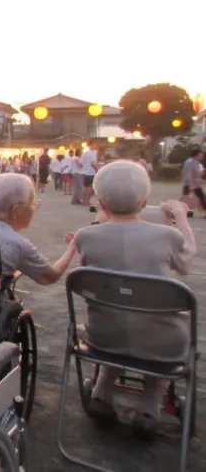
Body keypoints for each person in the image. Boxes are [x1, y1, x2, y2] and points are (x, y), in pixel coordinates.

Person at [74, 160, 196, 438]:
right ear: (144, 202)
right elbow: (186, 263)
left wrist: (102, 221)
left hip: (103, 337)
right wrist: (181, 218)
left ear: (101, 204)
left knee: (118, 312)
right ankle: (149, 405)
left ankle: (102, 391)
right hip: (162, 343)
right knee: (153, 327)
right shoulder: (167, 235)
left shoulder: (86, 236)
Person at [0, 173, 77, 284]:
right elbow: (50, 277)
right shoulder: (18, 244)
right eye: (32, 202)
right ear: (16, 211)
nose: (34, 208)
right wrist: (72, 247)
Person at [181, 148, 206, 217]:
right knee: (186, 198)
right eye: (201, 154)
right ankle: (182, 211)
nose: (202, 155)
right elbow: (189, 173)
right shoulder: (190, 162)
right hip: (189, 184)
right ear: (196, 155)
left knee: (201, 197)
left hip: (196, 185)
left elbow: (196, 175)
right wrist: (191, 185)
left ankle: (202, 212)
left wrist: (201, 181)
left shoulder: (196, 162)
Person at [80, 141, 98, 205]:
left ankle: (83, 201)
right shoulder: (93, 153)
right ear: (92, 145)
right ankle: (87, 201)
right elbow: (92, 164)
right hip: (91, 173)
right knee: (90, 188)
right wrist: (96, 170)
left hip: (84, 172)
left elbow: (81, 164)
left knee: (85, 187)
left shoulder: (84, 153)